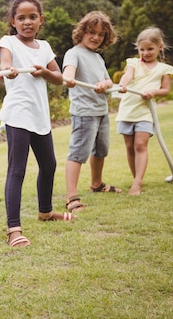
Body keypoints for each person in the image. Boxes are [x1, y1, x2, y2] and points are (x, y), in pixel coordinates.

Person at [0, 0, 73, 249]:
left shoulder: (45, 47)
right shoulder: (8, 42)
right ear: (13, 21)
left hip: (40, 115)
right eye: (21, 18)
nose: (27, 22)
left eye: (32, 17)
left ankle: (46, 212)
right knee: (17, 170)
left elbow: (59, 78)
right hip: (18, 114)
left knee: (49, 164)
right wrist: (10, 69)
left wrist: (46, 72)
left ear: (41, 20)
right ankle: (13, 230)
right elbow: (5, 63)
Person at [62, 11, 121, 213]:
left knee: (101, 150)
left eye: (101, 34)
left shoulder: (97, 57)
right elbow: (68, 71)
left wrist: (104, 84)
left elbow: (109, 80)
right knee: (78, 153)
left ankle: (96, 184)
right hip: (84, 112)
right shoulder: (74, 53)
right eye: (91, 32)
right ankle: (71, 197)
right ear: (82, 32)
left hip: (101, 110)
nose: (96, 37)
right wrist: (68, 77)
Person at [116, 27, 173, 196]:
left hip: (145, 112)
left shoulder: (164, 69)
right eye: (142, 49)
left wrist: (153, 92)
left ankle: (138, 183)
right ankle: (136, 177)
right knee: (129, 147)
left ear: (159, 47)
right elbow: (128, 76)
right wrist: (123, 84)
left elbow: (165, 90)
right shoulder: (133, 63)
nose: (146, 53)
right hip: (127, 110)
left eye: (150, 49)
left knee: (140, 145)